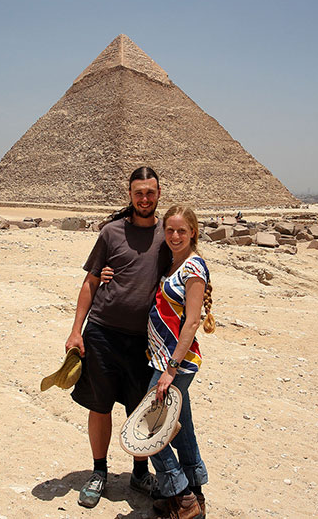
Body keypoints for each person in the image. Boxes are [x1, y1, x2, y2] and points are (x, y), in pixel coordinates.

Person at [66, 166, 170, 509]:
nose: (144, 199)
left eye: (150, 193)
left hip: (145, 340)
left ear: (159, 194)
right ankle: (99, 472)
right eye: (138, 193)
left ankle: (140, 472)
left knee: (140, 408)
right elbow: (91, 282)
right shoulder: (111, 233)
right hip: (103, 333)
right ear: (130, 195)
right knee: (100, 405)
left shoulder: (167, 236)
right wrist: (75, 331)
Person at [102, 204, 214, 518]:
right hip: (165, 360)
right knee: (184, 429)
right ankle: (195, 493)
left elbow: (191, 323)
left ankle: (180, 495)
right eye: (170, 230)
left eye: (182, 230)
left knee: (151, 432)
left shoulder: (192, 268)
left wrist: (169, 369)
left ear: (193, 231)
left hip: (175, 363)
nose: (175, 236)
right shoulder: (173, 263)